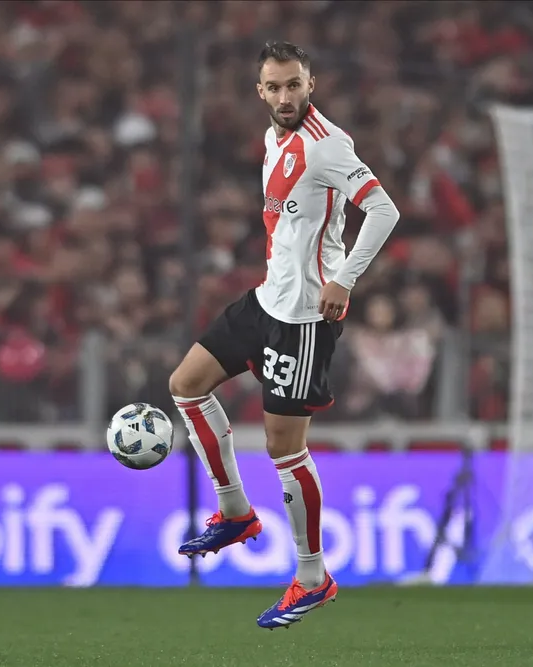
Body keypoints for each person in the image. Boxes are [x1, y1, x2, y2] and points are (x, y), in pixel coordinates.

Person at [168, 42, 400, 629]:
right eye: (274, 87)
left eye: (294, 85)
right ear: (261, 92)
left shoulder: (328, 145)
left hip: (304, 319)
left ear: (310, 84)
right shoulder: (274, 138)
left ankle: (313, 576)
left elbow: (384, 211)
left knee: (283, 448)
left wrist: (344, 279)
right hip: (266, 300)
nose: (284, 96)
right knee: (186, 385)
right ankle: (235, 512)